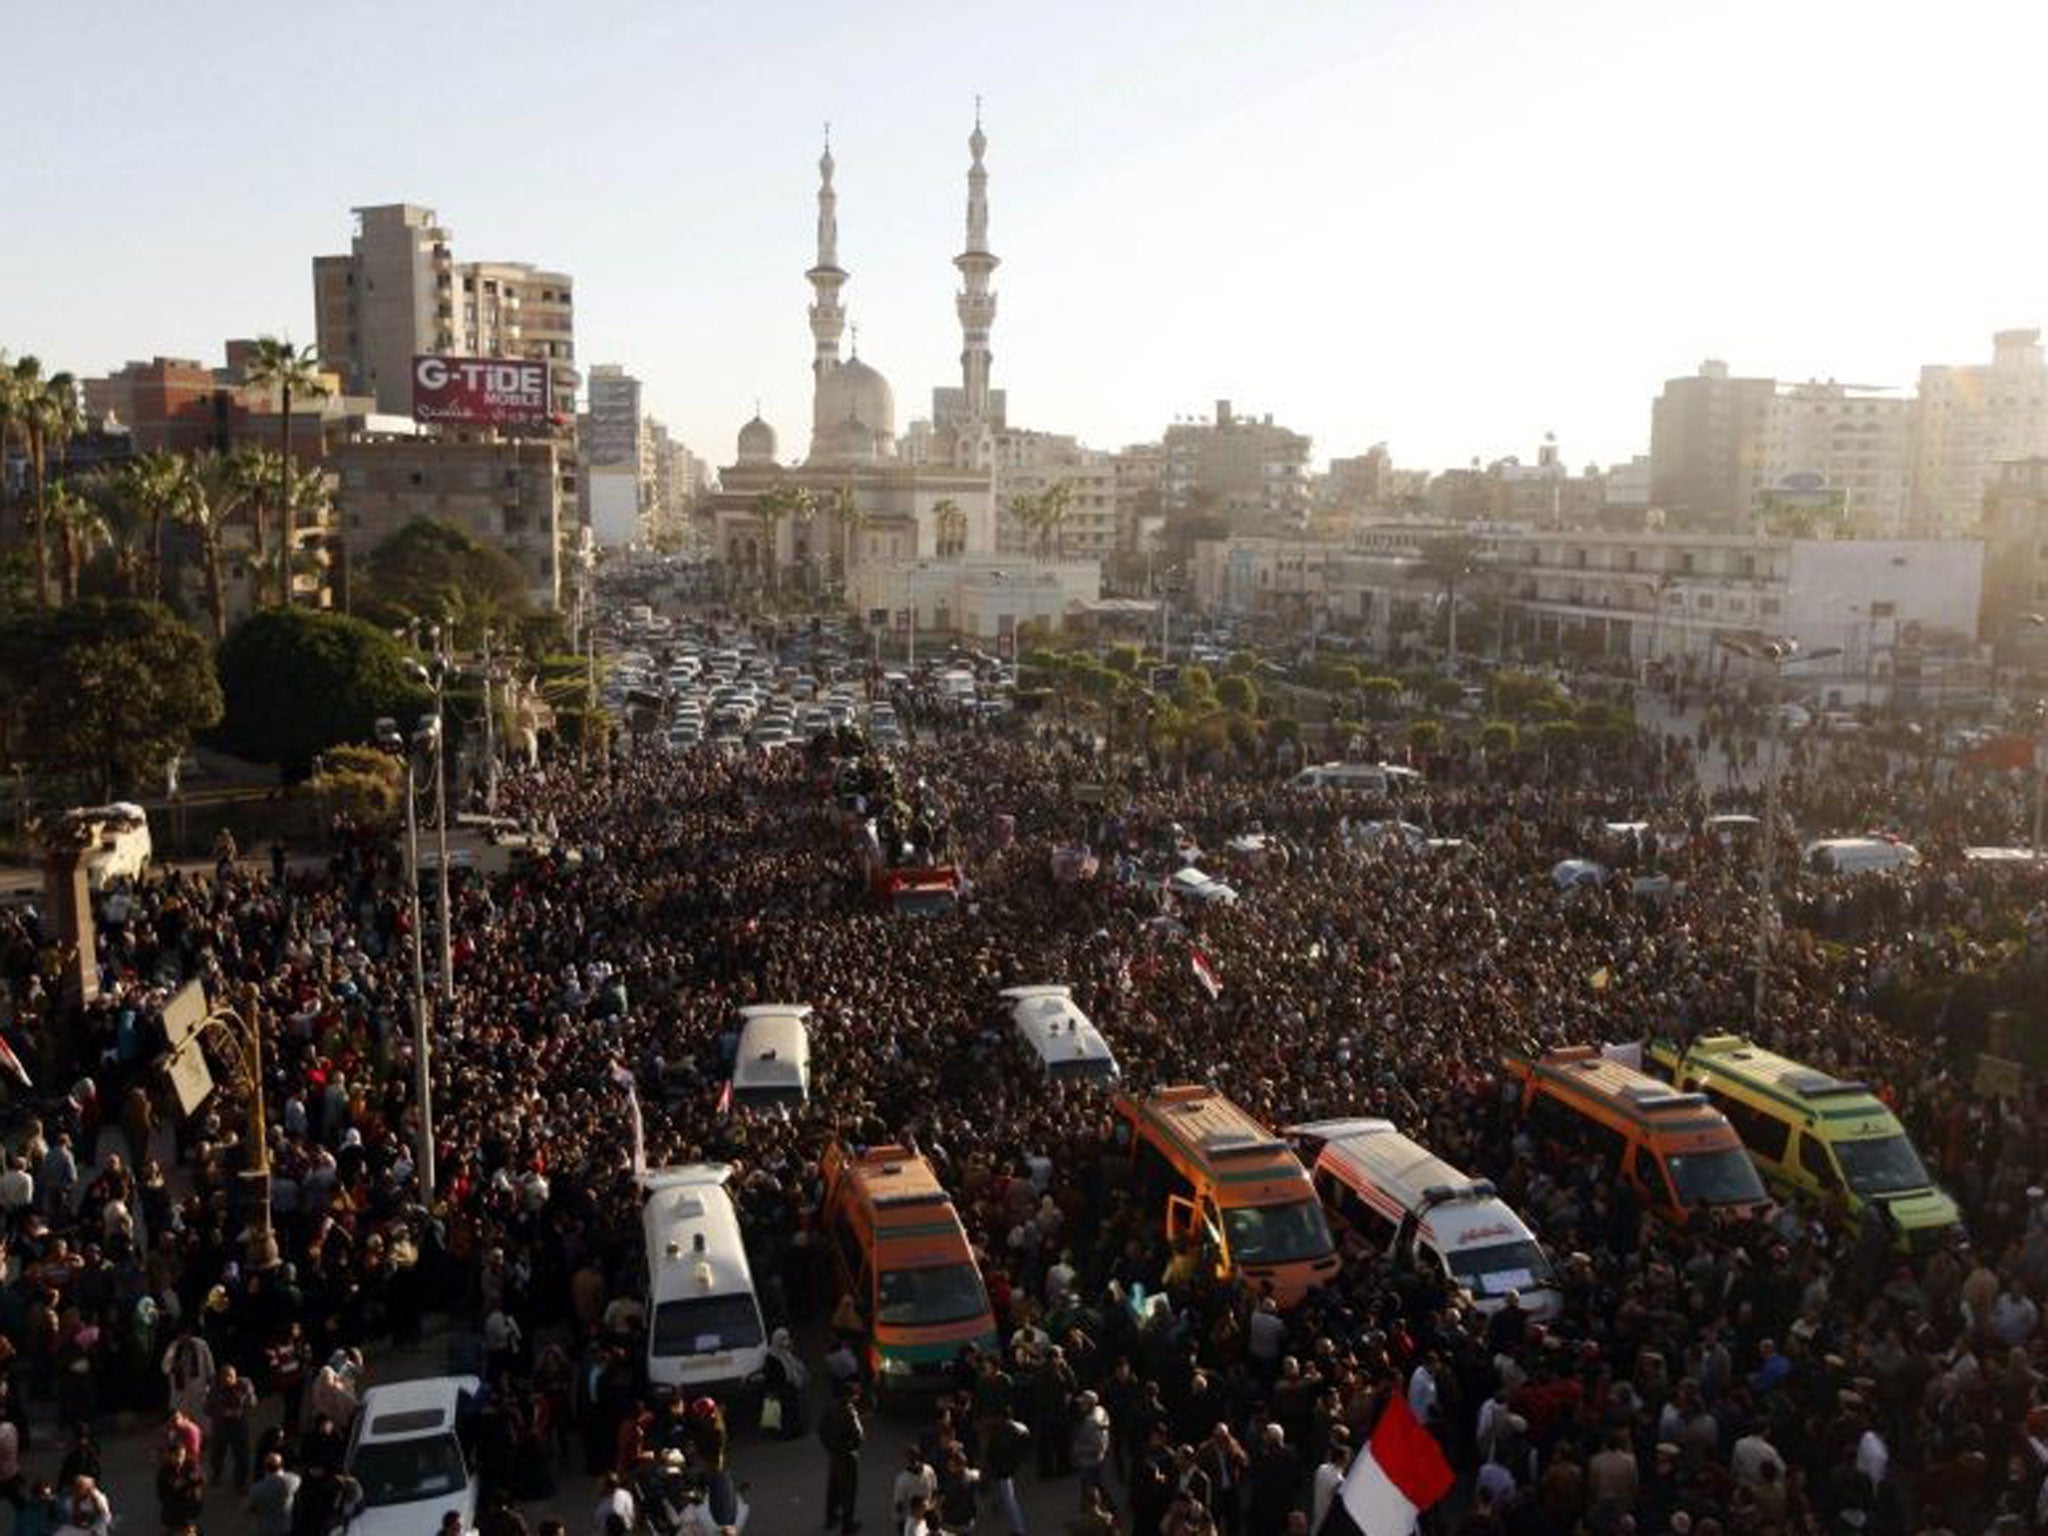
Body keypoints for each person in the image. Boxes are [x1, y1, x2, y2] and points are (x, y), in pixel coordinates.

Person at [820, 1381, 865, 1535]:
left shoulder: (829, 1407)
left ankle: (830, 1518)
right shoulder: (849, 1411)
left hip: (834, 1453)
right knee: (849, 1491)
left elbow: (821, 1429)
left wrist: (829, 1447)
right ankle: (848, 1525)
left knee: (833, 1487)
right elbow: (858, 1435)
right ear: (852, 1395)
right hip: (847, 1455)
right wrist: (853, 1447)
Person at [206, 1361, 258, 1489]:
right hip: (220, 1427)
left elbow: (252, 1402)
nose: (227, 1379)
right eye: (224, 1377)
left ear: (235, 1376)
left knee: (242, 1456)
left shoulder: (244, 1384)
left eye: (230, 1376)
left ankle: (240, 1482)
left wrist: (239, 1408)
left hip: (239, 1427)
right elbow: (206, 1408)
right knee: (217, 1454)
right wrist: (221, 1413)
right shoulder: (215, 1389)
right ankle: (216, 1474)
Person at [248, 1451, 302, 1536]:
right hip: (284, 1528)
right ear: (281, 1465)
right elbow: (297, 1479)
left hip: (264, 1529)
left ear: (265, 1467)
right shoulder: (292, 1480)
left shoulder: (257, 1488)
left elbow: (253, 1508)